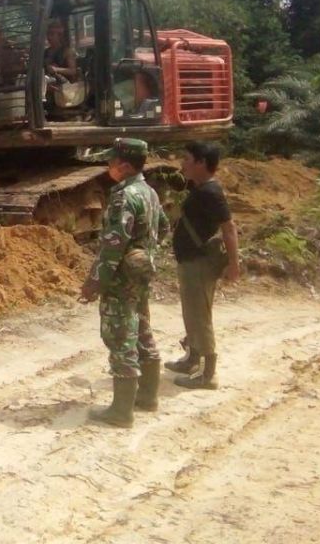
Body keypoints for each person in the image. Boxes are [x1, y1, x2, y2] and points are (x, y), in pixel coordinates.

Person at [79, 138, 169, 427]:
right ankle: (148, 398)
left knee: (120, 336)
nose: (108, 166)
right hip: (141, 274)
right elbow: (164, 226)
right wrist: (145, 253)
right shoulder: (150, 193)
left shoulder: (123, 197)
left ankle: (121, 411)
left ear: (125, 166)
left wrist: (94, 282)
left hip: (121, 279)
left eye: (112, 162)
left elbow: (113, 246)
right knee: (142, 329)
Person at [166, 141, 239, 390]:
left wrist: (233, 264)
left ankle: (208, 374)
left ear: (201, 163)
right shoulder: (199, 188)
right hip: (190, 260)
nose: (182, 163)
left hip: (200, 262)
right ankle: (192, 360)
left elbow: (229, 229)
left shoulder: (211, 192)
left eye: (187, 159)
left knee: (200, 315)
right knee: (191, 312)